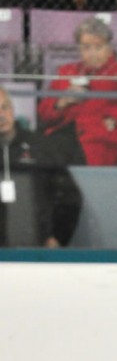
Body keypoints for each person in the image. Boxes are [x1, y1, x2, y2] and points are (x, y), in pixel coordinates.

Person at [37, 16, 117, 167]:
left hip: (105, 136)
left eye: (98, 47)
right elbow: (44, 113)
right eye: (86, 47)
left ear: (109, 48)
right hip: (65, 134)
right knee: (42, 151)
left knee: (92, 152)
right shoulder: (67, 71)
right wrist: (62, 101)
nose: (92, 53)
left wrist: (114, 119)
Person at [0, 86, 82, 248]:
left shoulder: (41, 147)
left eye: (5, 107)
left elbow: (69, 198)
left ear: (13, 108)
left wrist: (58, 237)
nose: (2, 115)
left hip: (36, 249)